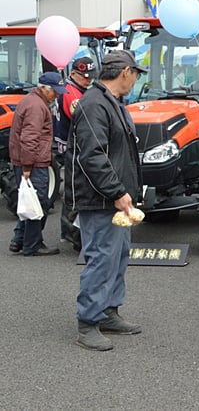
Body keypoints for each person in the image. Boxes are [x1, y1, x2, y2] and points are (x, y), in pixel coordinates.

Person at [68, 49, 147, 351]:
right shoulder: (94, 104)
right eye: (136, 73)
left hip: (115, 199)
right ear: (125, 72)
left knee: (117, 257)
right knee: (101, 259)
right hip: (101, 199)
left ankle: (109, 312)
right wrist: (116, 191)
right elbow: (93, 156)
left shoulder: (109, 102)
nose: (136, 79)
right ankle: (88, 323)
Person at [8, 72, 66, 256]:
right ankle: (32, 245)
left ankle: (18, 239)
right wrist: (27, 166)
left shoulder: (31, 101)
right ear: (43, 88)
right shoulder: (37, 107)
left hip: (26, 160)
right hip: (33, 163)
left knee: (28, 201)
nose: (56, 95)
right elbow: (30, 138)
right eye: (54, 92)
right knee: (39, 203)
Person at [54, 56, 96, 251]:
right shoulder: (71, 92)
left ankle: (67, 230)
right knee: (74, 188)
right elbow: (82, 117)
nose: (88, 80)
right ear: (73, 74)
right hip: (69, 145)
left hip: (70, 142)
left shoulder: (76, 89)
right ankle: (70, 231)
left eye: (90, 77)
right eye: (84, 77)